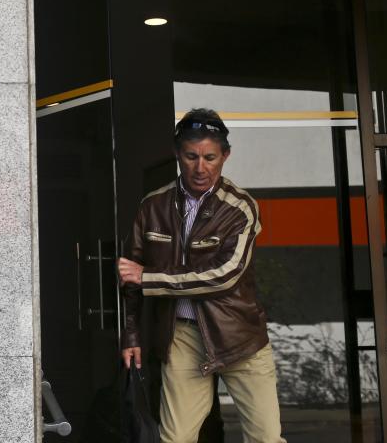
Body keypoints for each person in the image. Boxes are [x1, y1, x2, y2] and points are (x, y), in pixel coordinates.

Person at [117, 108, 285, 443]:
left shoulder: (241, 208)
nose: (200, 167)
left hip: (240, 337)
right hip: (183, 337)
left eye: (210, 157)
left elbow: (223, 275)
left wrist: (149, 277)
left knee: (266, 439)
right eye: (192, 156)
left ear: (225, 156)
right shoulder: (152, 206)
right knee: (175, 439)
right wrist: (131, 334)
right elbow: (128, 277)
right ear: (178, 154)